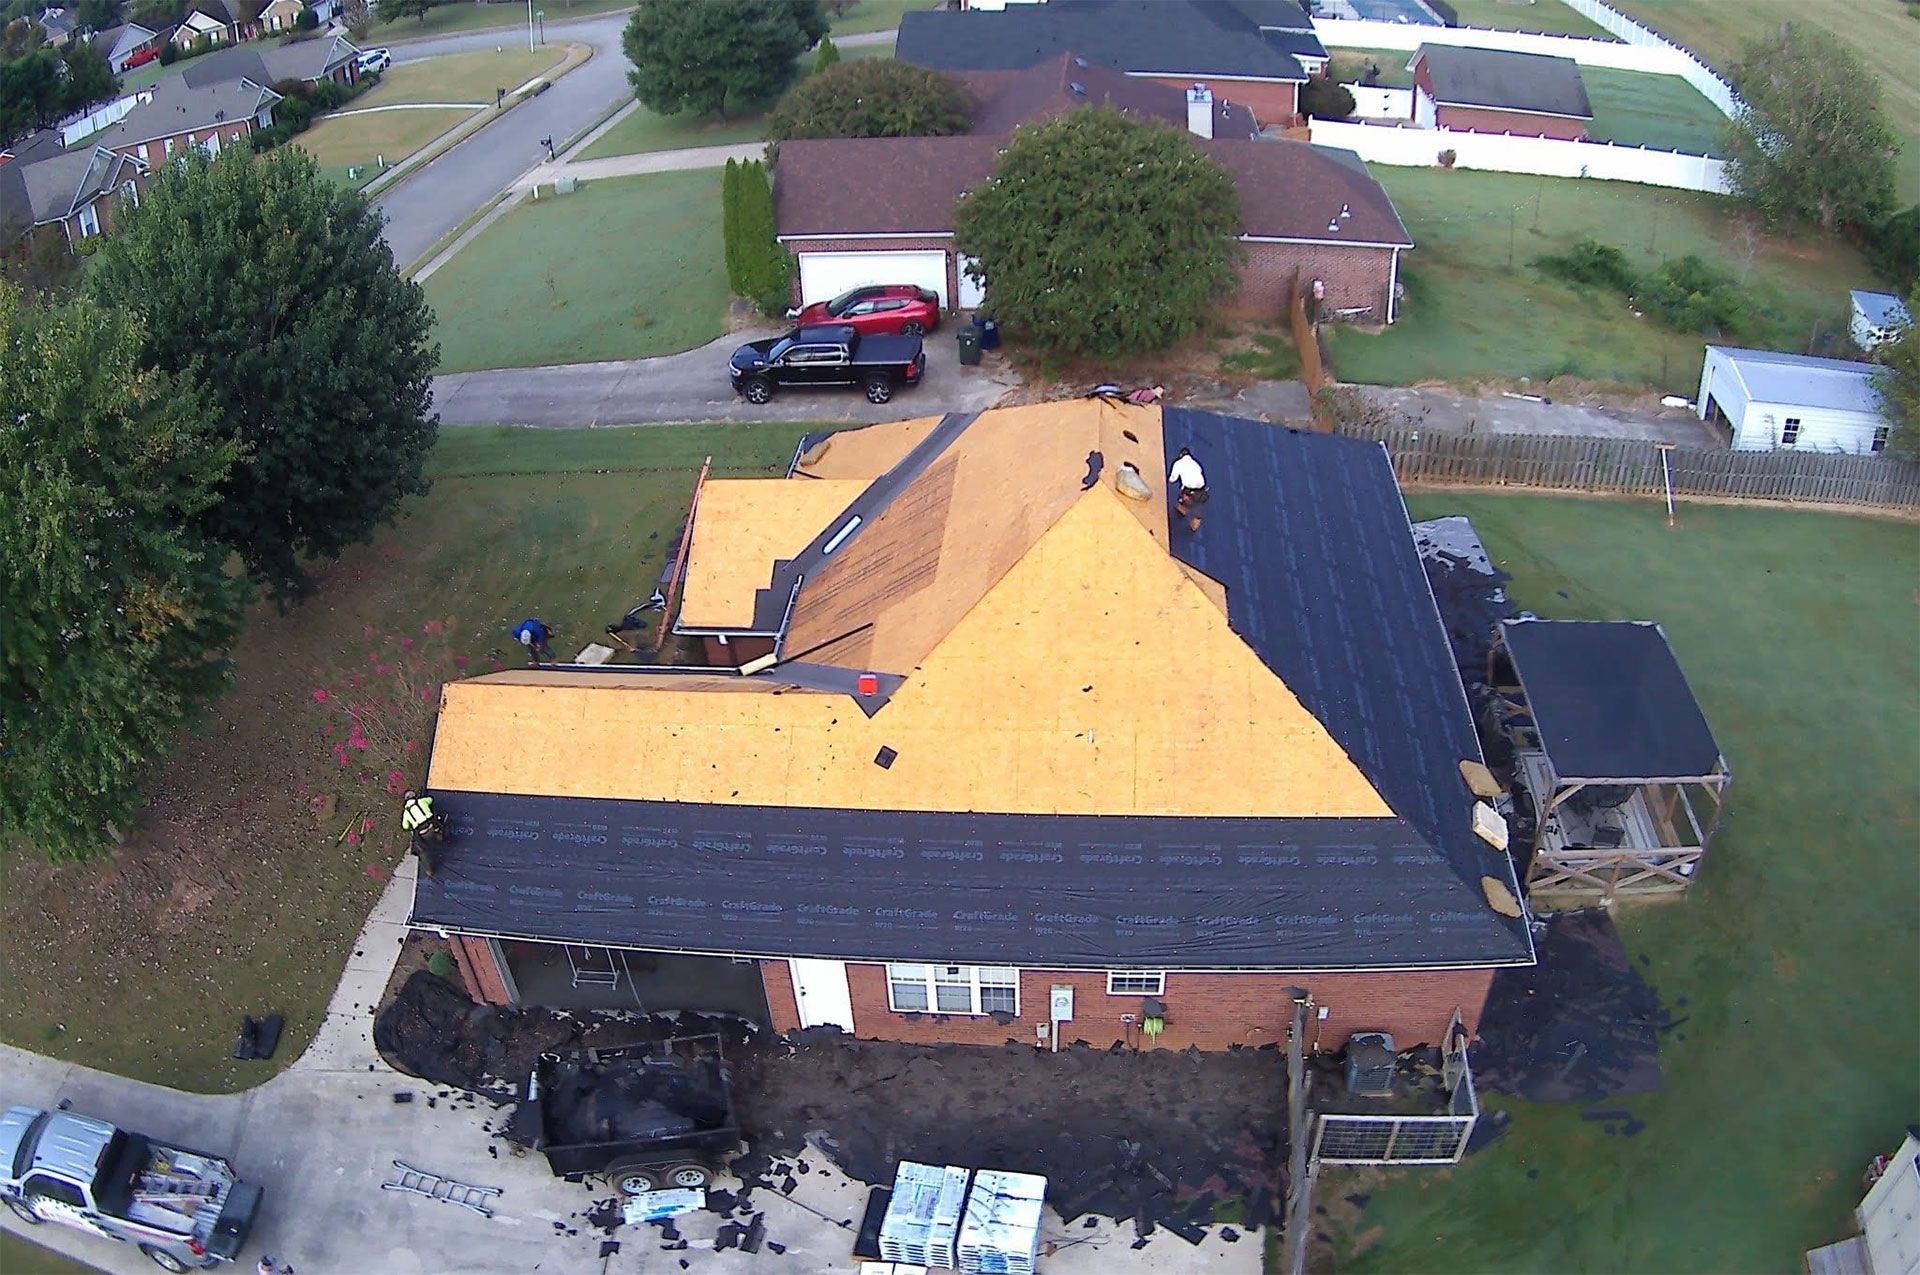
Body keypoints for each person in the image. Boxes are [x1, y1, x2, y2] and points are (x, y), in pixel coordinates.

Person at [1168, 446, 1208, 532]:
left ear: (1181, 455)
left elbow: (1173, 478)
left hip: (1189, 489)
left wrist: (1169, 481)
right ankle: (1195, 524)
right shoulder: (1195, 463)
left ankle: (1183, 509)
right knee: (1197, 506)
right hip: (1201, 489)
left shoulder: (1178, 463)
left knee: (1184, 498)